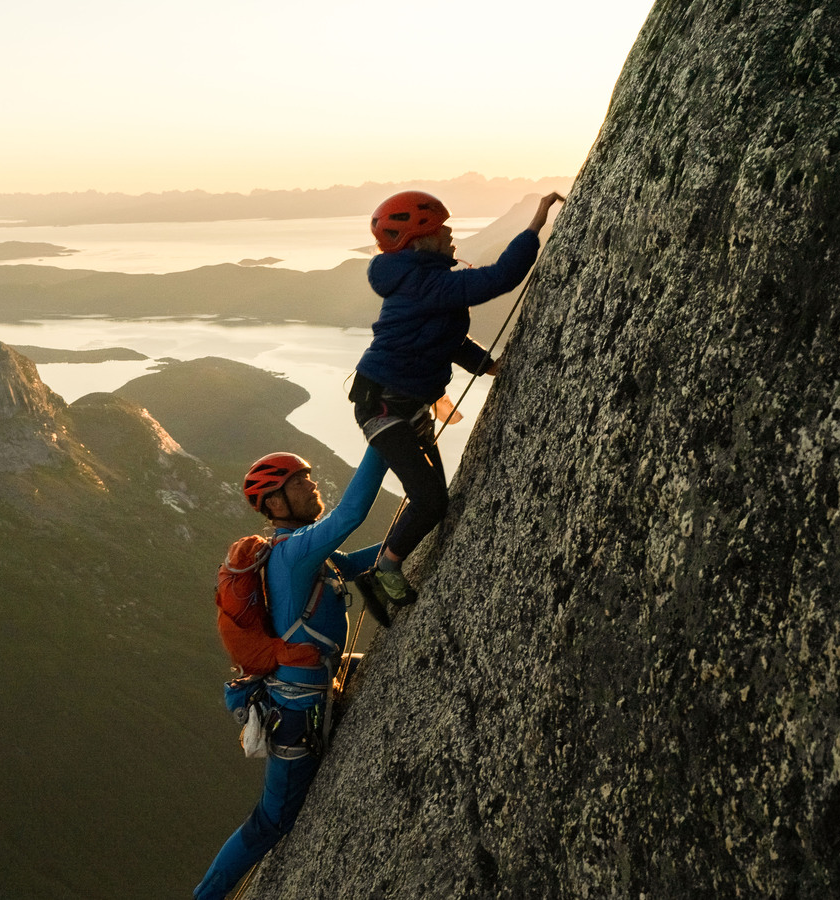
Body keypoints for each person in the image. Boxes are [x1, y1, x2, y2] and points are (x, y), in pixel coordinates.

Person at [351, 189, 565, 604]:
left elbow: (444, 336)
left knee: (437, 500)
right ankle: (383, 571)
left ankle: (381, 565)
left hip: (403, 406)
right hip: (385, 409)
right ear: (420, 239)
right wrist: (535, 225)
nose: (451, 234)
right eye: (441, 228)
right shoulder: (423, 282)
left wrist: (487, 366)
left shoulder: (424, 281)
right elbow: (498, 278)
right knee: (430, 502)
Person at [193, 447, 388, 900]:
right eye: (299, 481)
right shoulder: (293, 555)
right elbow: (352, 512)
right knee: (271, 822)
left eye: (307, 477)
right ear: (276, 504)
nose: (312, 484)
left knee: (273, 818)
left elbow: (356, 563)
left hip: (305, 704)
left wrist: (426, 517)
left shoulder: (302, 554)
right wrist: (385, 438)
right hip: (296, 719)